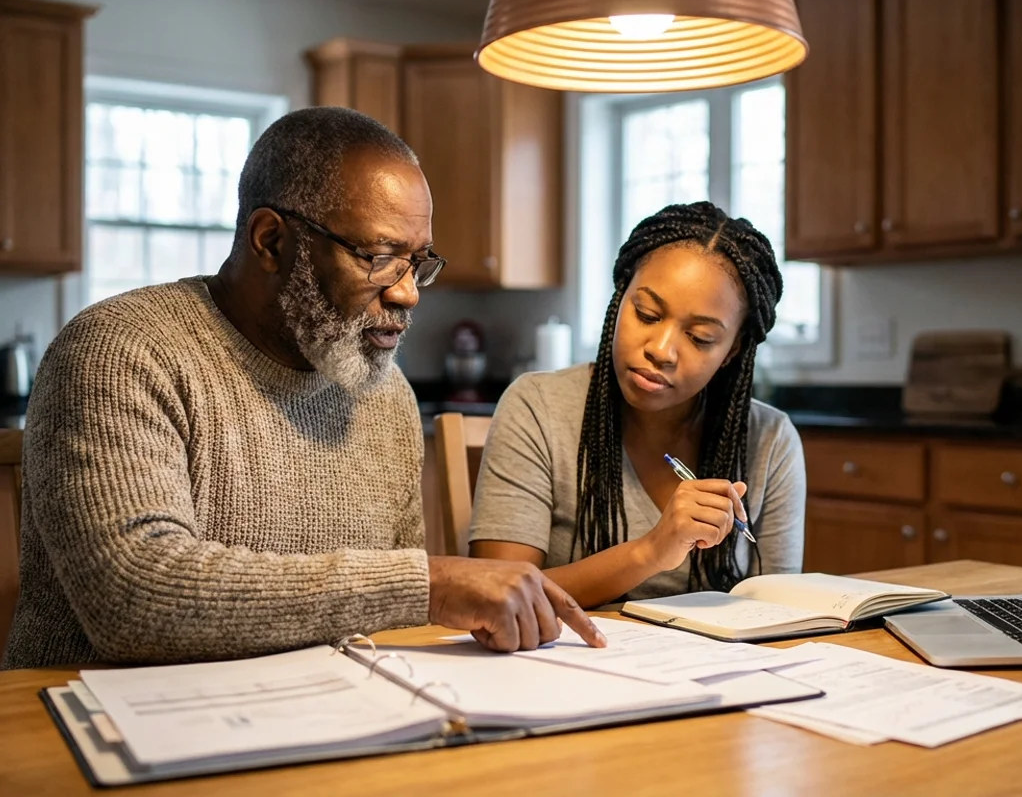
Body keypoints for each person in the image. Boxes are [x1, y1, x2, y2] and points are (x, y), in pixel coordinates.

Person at [2, 107, 603, 670]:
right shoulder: (121, 350)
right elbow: (133, 600)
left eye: (417, 261)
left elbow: (383, 627)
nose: (408, 292)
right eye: (376, 256)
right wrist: (430, 583)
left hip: (315, 716)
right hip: (96, 726)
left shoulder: (384, 396)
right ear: (271, 240)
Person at [470, 201, 806, 608]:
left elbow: (780, 608)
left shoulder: (770, 441)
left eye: (699, 338)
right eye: (647, 314)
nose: (662, 351)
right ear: (621, 295)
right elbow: (497, 594)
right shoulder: (538, 409)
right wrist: (651, 552)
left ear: (732, 350)